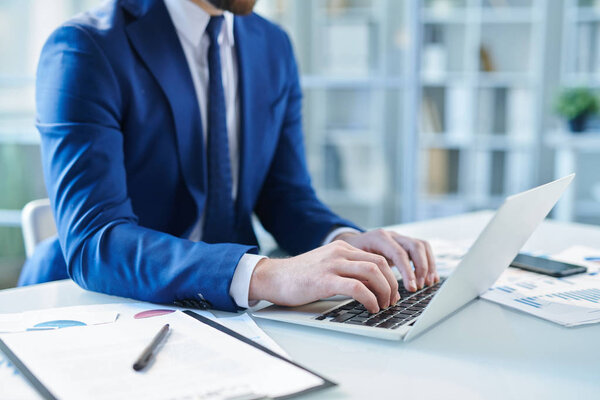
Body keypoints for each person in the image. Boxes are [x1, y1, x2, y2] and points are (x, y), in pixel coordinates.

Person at [20, 0, 438, 314]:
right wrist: (266, 275)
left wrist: (345, 244)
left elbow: (285, 195)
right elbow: (97, 240)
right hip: (95, 308)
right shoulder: (85, 48)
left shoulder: (272, 45)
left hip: (232, 316)